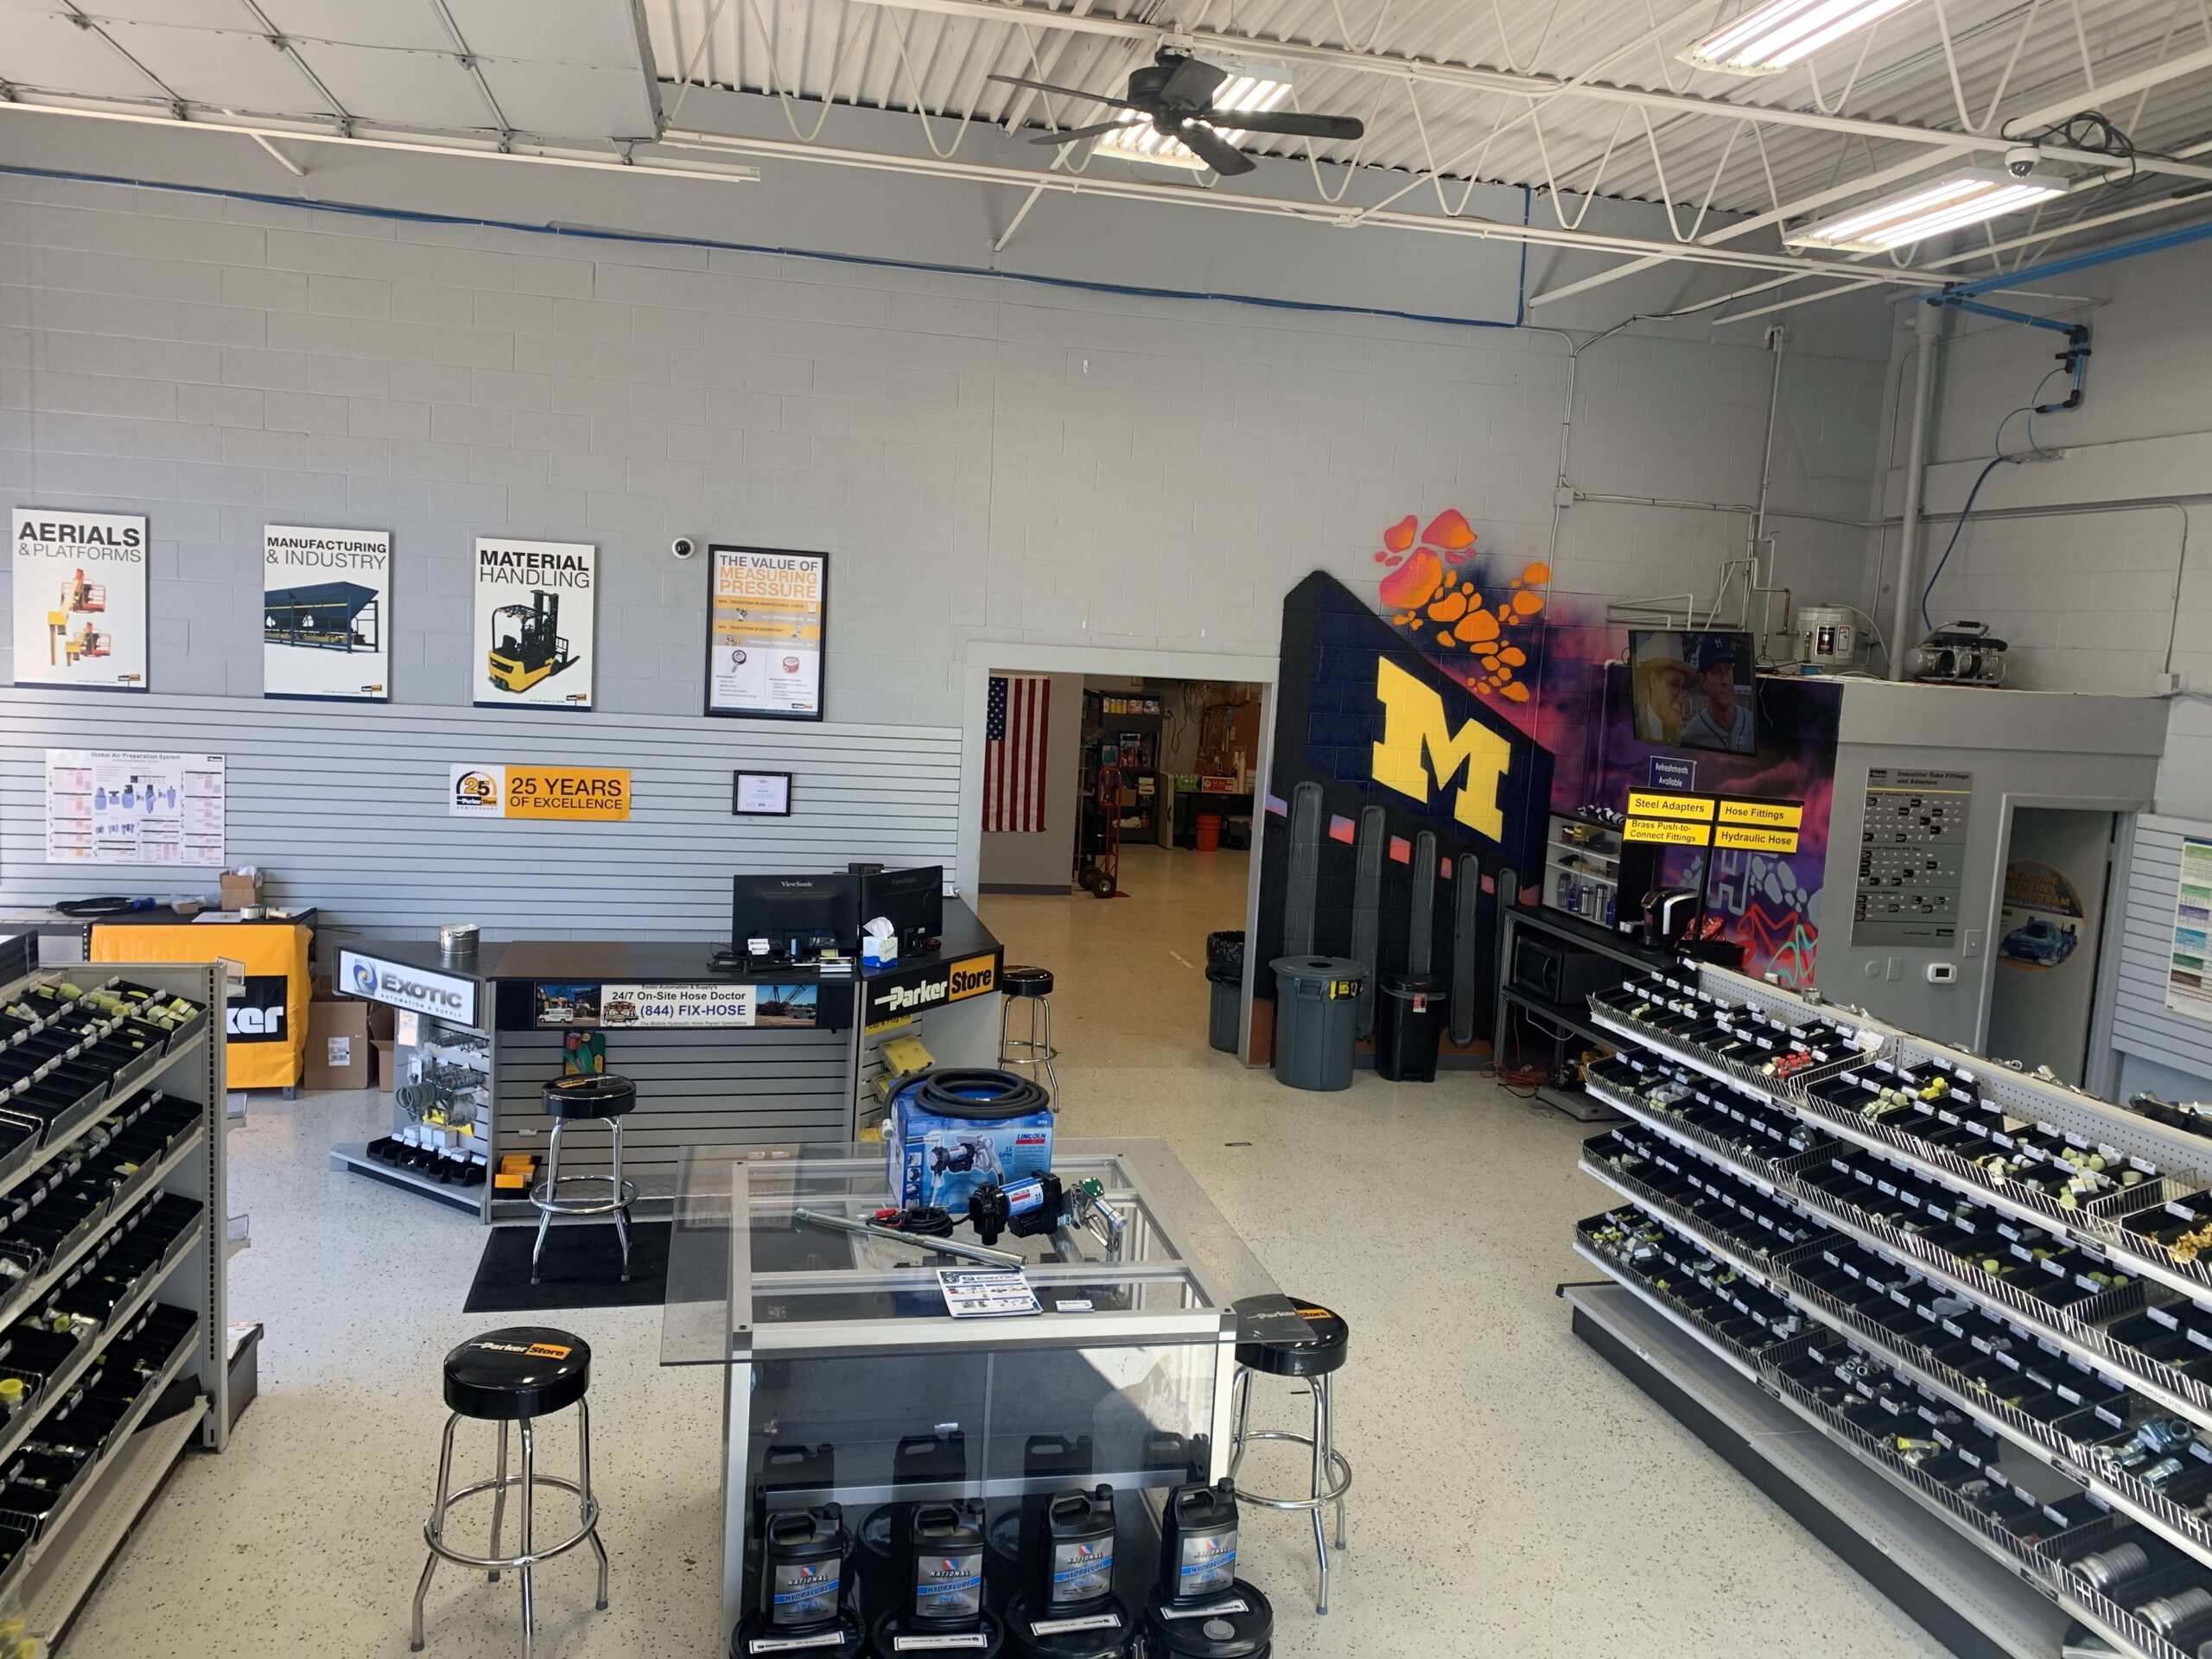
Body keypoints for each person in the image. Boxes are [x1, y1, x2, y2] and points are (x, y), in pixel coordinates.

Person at [1679, 635, 1752, 753]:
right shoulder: (1693, 733)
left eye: (1728, 670)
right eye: (1716, 672)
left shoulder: (1751, 723)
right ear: (1704, 681)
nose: (1725, 681)